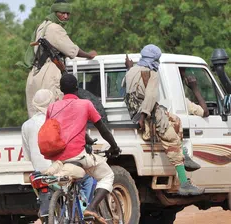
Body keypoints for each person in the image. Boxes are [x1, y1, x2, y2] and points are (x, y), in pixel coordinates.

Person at [124, 44, 204, 196]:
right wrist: (142, 117)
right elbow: (150, 97)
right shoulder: (152, 73)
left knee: (176, 120)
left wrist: (128, 67)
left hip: (138, 111)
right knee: (172, 142)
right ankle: (184, 183)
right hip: (149, 114)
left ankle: (183, 154)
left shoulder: (131, 71)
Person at [45, 74, 120, 223]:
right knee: (107, 176)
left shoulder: (52, 107)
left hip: (58, 158)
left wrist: (88, 139)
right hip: (77, 156)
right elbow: (103, 130)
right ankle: (91, 208)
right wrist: (114, 146)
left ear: (61, 89)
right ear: (77, 88)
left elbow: (59, 130)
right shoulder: (85, 104)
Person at [25, 0, 97, 118]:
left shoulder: (42, 26)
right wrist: (89, 55)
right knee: (54, 115)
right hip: (49, 73)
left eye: (68, 14)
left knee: (36, 117)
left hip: (35, 74)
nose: (65, 16)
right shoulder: (54, 28)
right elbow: (71, 50)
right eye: (62, 13)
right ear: (54, 12)